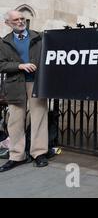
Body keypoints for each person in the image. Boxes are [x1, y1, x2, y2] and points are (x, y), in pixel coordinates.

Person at [0, 10, 49, 172]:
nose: (21, 21)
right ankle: (16, 156)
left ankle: (39, 154)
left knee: (39, 117)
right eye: (16, 20)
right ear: (8, 23)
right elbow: (1, 65)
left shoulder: (39, 37)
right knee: (15, 121)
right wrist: (19, 66)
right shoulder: (4, 42)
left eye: (22, 18)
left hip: (36, 83)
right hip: (15, 84)